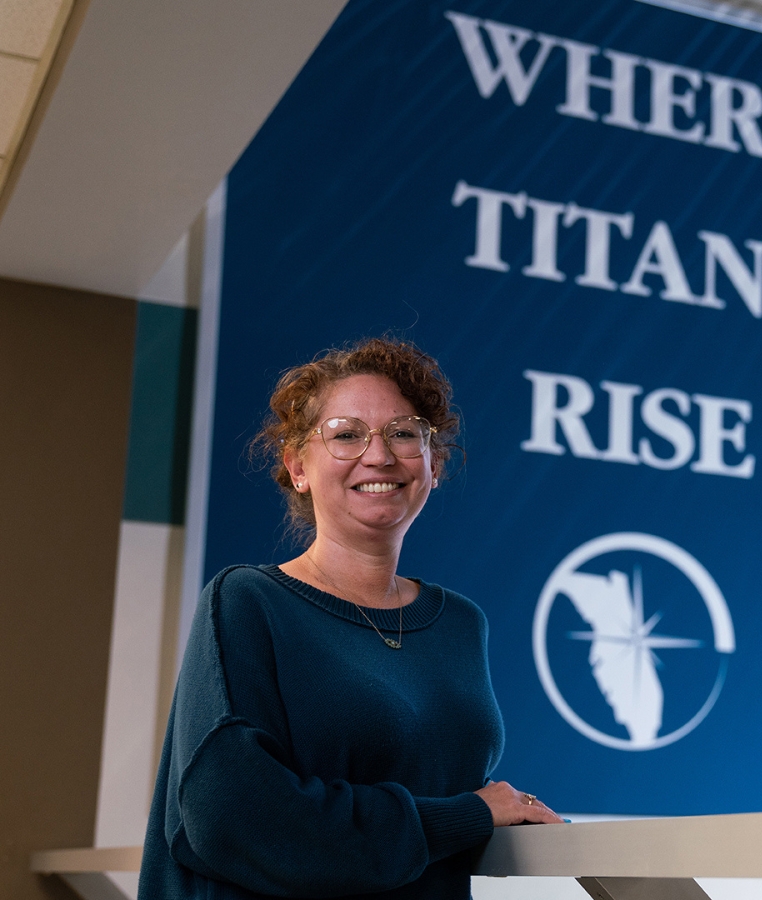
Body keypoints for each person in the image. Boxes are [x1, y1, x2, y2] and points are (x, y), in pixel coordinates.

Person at [139, 337, 562, 900]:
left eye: (404, 433)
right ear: (298, 468)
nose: (380, 455)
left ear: (433, 465)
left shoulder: (461, 624)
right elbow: (233, 815)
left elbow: (437, 785)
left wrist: (499, 813)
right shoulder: (247, 602)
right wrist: (466, 815)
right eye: (345, 435)